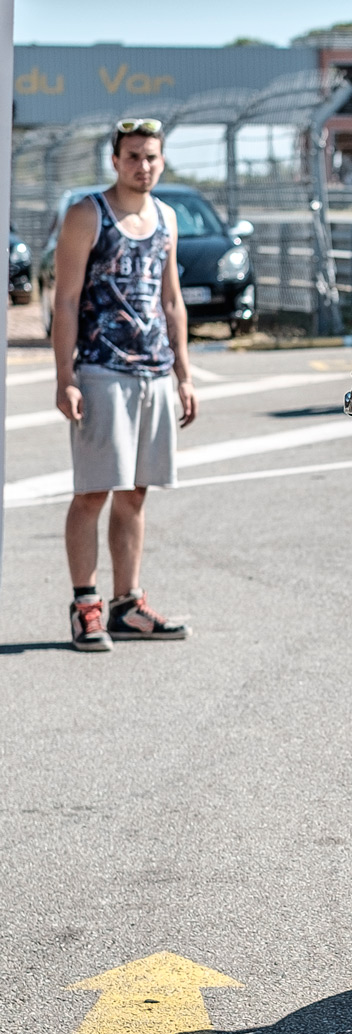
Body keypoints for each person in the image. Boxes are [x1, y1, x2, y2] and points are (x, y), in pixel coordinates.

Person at [51, 118, 197, 652]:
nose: (143, 166)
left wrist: (184, 375)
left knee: (135, 494)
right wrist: (65, 378)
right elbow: (66, 300)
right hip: (100, 371)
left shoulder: (166, 217)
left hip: (153, 371)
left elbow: (172, 300)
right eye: (133, 156)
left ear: (162, 161)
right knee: (93, 492)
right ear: (115, 161)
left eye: (151, 156)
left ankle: (127, 606)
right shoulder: (87, 214)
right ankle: (85, 608)